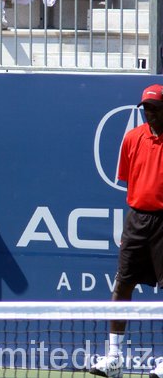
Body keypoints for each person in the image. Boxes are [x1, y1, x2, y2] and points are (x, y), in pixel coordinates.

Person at [89, 84, 163, 378]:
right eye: (146, 109)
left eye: (155, 109)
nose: (149, 114)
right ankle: (115, 357)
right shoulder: (132, 138)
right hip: (136, 221)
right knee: (122, 286)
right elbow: (130, 183)